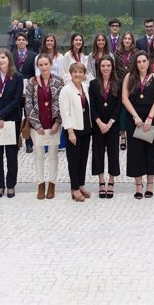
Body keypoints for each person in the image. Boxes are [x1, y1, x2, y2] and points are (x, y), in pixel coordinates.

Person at [0, 48, 24, 199]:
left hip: (11, 120)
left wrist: (1, 115)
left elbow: (16, 101)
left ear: (9, 59)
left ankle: (11, 185)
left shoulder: (18, 77)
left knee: (11, 154)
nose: (1, 60)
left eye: (4, 57)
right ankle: (0, 185)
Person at [122, 51, 154, 199]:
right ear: (135, 63)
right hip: (134, 119)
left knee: (150, 151)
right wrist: (136, 117)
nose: (142, 64)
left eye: (144, 61)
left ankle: (150, 186)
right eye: (139, 62)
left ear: (148, 62)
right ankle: (138, 186)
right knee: (135, 152)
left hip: (150, 117)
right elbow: (124, 99)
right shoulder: (129, 77)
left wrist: (150, 118)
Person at [25, 54, 64, 200]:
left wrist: (57, 122)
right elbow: (28, 104)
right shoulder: (32, 82)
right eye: (40, 65)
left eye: (46, 64)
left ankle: (52, 184)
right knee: (39, 155)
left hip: (53, 124)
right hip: (38, 125)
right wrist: (36, 125)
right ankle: (41, 184)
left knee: (53, 155)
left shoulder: (59, 82)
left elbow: (61, 103)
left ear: (51, 64)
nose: (43, 67)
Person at [89, 55, 121, 199]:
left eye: (108, 65)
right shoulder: (93, 84)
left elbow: (119, 106)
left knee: (113, 153)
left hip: (112, 125)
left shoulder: (118, 83)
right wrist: (100, 123)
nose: (106, 68)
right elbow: (93, 106)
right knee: (98, 152)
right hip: (98, 125)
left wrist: (110, 123)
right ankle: (101, 181)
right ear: (99, 67)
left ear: (112, 67)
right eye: (103, 66)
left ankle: (111, 181)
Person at [60, 62, 93, 202]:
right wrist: (70, 131)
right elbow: (65, 112)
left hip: (86, 127)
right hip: (73, 129)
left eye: (80, 72)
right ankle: (74, 188)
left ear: (84, 74)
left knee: (83, 159)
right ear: (71, 74)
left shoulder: (85, 87)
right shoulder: (66, 90)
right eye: (75, 72)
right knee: (74, 160)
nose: (78, 74)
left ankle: (81, 184)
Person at [114, 31, 137, 151]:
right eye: (125, 38)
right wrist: (118, 83)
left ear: (132, 41)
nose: (127, 40)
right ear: (122, 40)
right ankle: (123, 135)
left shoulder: (136, 52)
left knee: (133, 109)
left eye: (129, 38)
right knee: (122, 111)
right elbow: (115, 70)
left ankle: (133, 134)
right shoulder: (117, 53)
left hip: (133, 84)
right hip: (120, 85)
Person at [13, 32, 36, 153]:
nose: (21, 41)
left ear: (27, 42)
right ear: (16, 42)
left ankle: (29, 142)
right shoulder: (11, 56)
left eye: (23, 40)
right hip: (15, 91)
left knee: (29, 116)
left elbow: (35, 74)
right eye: (19, 39)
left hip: (29, 90)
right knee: (16, 116)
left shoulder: (33, 56)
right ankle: (16, 140)